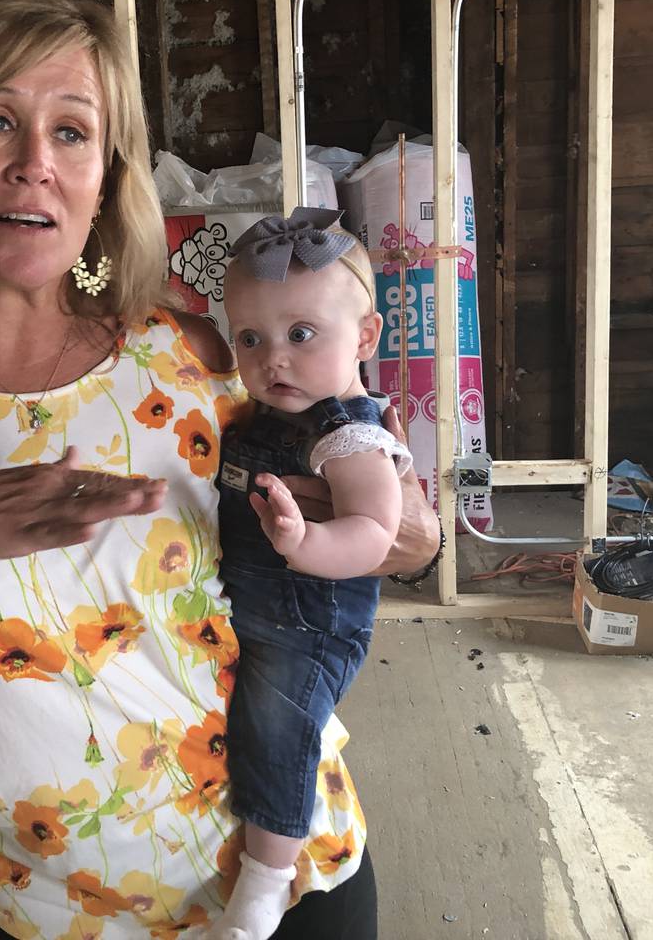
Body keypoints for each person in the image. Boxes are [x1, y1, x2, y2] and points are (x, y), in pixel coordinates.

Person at [0, 0, 440, 940]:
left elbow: (407, 542)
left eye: (72, 133)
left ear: (104, 172)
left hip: (287, 875)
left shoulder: (196, 352)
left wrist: (381, 523)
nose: (34, 166)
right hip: (55, 908)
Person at [205, 211, 410, 940]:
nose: (273, 360)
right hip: (258, 608)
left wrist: (303, 541)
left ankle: (263, 881)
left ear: (364, 337)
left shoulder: (349, 434)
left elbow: (373, 535)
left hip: (309, 623)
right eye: (250, 339)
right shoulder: (258, 414)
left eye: (300, 335)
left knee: (275, 731)